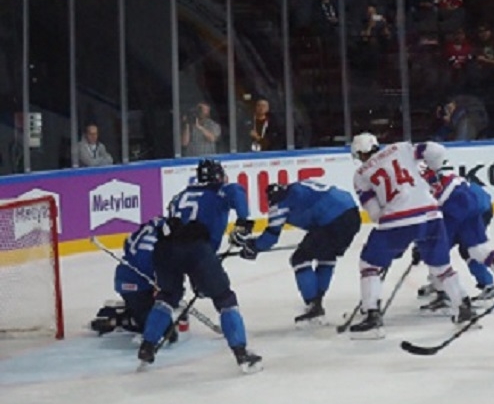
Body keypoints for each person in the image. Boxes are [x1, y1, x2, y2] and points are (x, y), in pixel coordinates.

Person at [137, 159, 262, 374]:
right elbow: (237, 192)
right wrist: (243, 222)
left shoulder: (180, 196)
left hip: (166, 250)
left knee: (167, 297)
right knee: (224, 298)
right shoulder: (221, 191)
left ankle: (147, 347)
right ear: (217, 176)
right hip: (197, 250)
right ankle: (242, 354)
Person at [349, 133, 475, 338]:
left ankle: (372, 317)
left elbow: (374, 213)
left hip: (397, 219)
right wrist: (433, 169)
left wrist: (390, 232)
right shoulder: (400, 147)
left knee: (369, 265)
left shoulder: (361, 174)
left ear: (359, 154)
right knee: (441, 266)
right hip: (431, 215)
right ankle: (464, 308)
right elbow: (437, 150)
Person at [240, 180, 361, 324]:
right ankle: (317, 301)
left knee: (300, 259)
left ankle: (313, 306)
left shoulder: (279, 205)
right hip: (352, 213)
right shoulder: (300, 186)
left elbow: (271, 238)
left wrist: (253, 247)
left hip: (331, 221)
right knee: (327, 255)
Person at [418, 167, 494, 311]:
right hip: (469, 204)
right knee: (439, 249)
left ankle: (486, 287)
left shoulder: (419, 183)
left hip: (469, 209)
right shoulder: (428, 173)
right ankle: (442, 285)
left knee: (456, 250)